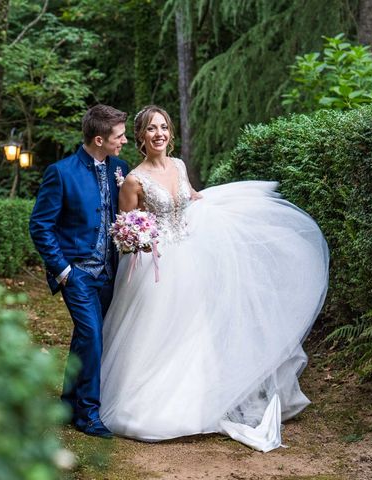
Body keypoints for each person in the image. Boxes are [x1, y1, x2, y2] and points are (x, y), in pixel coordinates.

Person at [99, 105, 329, 451]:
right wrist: (138, 238)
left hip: (190, 258)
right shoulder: (133, 180)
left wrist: (223, 211)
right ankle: (155, 406)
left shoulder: (179, 166)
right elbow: (125, 227)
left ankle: (200, 399)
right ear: (141, 138)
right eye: (151, 129)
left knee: (195, 329)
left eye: (163, 127)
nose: (159, 133)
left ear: (170, 134)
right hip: (156, 267)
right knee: (158, 331)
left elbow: (190, 200)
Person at [30, 104, 130, 438]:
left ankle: (68, 402)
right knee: (93, 335)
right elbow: (40, 225)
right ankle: (88, 414)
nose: (125, 141)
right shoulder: (61, 172)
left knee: (86, 337)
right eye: (119, 136)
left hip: (110, 273)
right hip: (78, 274)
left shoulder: (121, 168)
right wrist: (63, 271)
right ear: (99, 139)